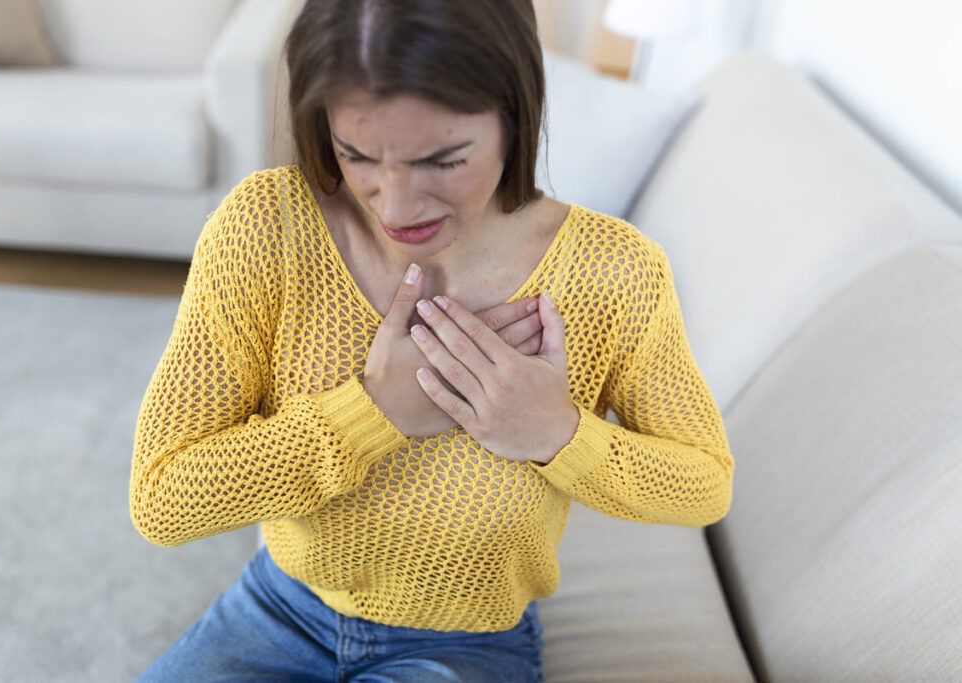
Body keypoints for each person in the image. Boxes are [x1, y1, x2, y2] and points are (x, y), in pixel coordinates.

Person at [129, 0, 735, 680]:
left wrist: (556, 433)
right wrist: (372, 413)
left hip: (466, 643)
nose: (395, 206)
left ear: (514, 114)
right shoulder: (265, 228)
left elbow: (704, 483)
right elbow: (163, 496)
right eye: (356, 154)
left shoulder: (614, 271)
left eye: (442, 160)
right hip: (279, 611)